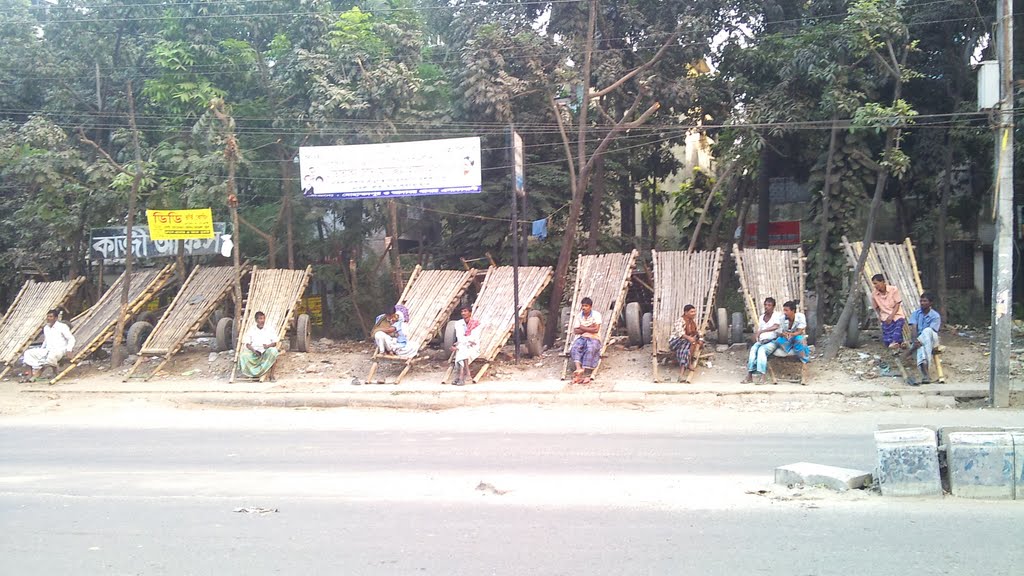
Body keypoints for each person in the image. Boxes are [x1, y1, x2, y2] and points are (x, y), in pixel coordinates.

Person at [21, 308, 75, 382]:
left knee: (51, 357)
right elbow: (46, 340)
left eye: (51, 316)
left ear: (55, 318)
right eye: (48, 316)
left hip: (59, 350)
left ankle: (39, 375)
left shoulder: (62, 326)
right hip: (48, 350)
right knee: (28, 353)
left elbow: (71, 339)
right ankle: (29, 375)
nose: (48, 318)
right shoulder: (46, 328)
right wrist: (41, 349)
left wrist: (69, 350)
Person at [744, 297, 783, 384]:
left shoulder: (777, 315)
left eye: (769, 305)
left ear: (773, 307)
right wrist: (756, 336)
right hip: (762, 341)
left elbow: (776, 326)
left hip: (773, 341)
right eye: (765, 305)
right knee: (753, 350)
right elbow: (759, 331)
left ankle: (763, 377)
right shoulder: (762, 317)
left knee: (762, 351)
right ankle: (749, 375)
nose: (766, 307)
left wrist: (762, 331)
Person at [907, 292, 941, 384]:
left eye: (925, 301)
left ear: (931, 303)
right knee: (921, 347)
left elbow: (932, 332)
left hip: (932, 339)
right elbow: (913, 328)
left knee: (926, 331)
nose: (922, 303)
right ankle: (926, 375)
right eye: (921, 301)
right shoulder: (916, 313)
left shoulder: (935, 316)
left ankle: (912, 349)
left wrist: (916, 342)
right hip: (921, 341)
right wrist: (915, 340)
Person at [237, 311, 281, 380]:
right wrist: (254, 351)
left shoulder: (270, 329)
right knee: (243, 355)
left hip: (266, 350)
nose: (262, 321)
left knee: (273, 351)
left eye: (263, 318)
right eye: (260, 319)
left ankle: (271, 375)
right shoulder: (251, 330)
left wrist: (268, 346)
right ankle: (250, 374)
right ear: (256, 320)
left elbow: (275, 343)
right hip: (254, 351)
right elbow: (248, 344)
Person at [569, 297, 602, 384]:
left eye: (586, 306)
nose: (584, 308)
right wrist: (590, 327)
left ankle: (586, 373)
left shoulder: (596, 315)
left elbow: (596, 330)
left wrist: (582, 327)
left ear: (590, 307)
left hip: (594, 337)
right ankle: (578, 368)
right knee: (575, 348)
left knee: (590, 349)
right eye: (583, 306)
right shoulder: (579, 316)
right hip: (582, 337)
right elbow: (576, 331)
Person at [669, 304, 704, 382]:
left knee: (687, 348)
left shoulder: (693, 322)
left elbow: (699, 331)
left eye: (694, 311)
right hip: (675, 342)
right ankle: (688, 364)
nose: (694, 313)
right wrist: (690, 338)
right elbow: (680, 334)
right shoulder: (680, 321)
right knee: (690, 343)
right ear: (686, 312)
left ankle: (682, 373)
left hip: (686, 342)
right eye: (692, 312)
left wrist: (701, 339)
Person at [871, 274, 905, 351]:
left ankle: (895, 342)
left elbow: (897, 303)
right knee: (887, 337)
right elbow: (876, 307)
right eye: (874, 284)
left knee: (898, 326)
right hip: (885, 315)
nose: (875, 286)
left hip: (896, 314)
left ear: (882, 282)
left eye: (876, 283)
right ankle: (898, 343)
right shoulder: (874, 294)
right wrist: (880, 316)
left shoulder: (893, 290)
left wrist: (891, 316)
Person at [450, 305, 482, 386]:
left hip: (473, 346)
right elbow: (459, 336)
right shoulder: (459, 323)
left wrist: (463, 342)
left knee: (461, 350)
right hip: (463, 345)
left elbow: (474, 337)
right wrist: (465, 341)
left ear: (470, 313)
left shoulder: (476, 324)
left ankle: (460, 377)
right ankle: (464, 376)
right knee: (463, 350)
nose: (463, 313)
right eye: (462, 312)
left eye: (465, 311)